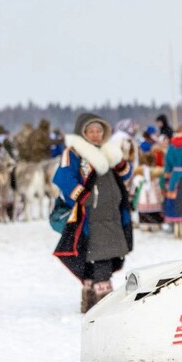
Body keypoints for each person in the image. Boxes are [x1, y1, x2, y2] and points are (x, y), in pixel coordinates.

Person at [53, 113, 134, 312]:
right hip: (90, 217)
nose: (96, 134)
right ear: (83, 133)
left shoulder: (109, 151)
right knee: (98, 255)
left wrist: (120, 163)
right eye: (91, 131)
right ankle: (103, 306)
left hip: (113, 215)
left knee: (100, 256)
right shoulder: (74, 152)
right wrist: (83, 196)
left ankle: (90, 300)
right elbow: (64, 177)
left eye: (99, 131)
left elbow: (126, 175)